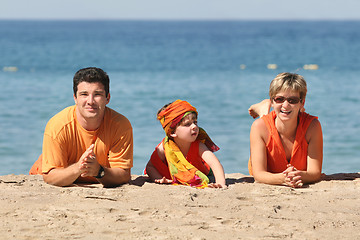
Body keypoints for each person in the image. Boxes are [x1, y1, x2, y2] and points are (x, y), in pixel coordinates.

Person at [29, 67, 133, 187]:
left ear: (107, 98)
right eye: (84, 94)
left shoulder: (120, 125)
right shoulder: (58, 125)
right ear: (75, 98)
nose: (90, 101)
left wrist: (98, 171)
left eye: (97, 94)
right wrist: (79, 167)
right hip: (44, 178)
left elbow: (124, 175)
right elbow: (50, 177)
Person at [248, 72, 323, 188]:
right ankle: (263, 109)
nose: (286, 104)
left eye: (292, 100)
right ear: (273, 101)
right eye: (279, 99)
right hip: (266, 133)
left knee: (283, 113)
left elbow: (315, 173)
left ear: (302, 102)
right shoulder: (258, 127)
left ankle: (266, 108)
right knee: (264, 123)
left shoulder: (313, 126)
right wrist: (284, 178)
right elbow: (258, 175)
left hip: (295, 115)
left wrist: (297, 175)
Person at [145, 100, 226, 188]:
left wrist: (221, 183)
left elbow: (215, 164)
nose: (194, 126)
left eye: (195, 122)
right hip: (167, 176)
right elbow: (150, 167)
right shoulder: (164, 147)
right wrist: (158, 178)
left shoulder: (198, 146)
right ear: (172, 132)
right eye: (187, 124)